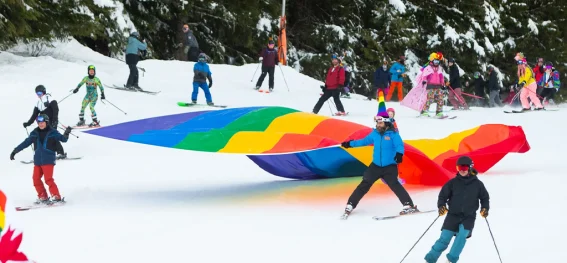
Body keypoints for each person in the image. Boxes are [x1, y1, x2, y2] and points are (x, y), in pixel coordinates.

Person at [340, 115, 418, 218]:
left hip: (389, 167)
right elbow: (363, 141)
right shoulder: (375, 133)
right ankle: (350, 204)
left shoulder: (393, 134)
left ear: (386, 123)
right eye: (377, 123)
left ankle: (408, 205)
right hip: (375, 166)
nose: (378, 125)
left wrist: (399, 154)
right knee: (364, 184)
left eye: (380, 123)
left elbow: (399, 145)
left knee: (395, 184)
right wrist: (350, 144)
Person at [424, 156, 490, 263]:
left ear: (470, 168)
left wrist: (485, 208)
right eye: (459, 168)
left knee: (461, 237)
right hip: (452, 215)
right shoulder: (452, 183)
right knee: (444, 238)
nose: (462, 171)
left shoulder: (478, 184)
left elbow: (484, 198)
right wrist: (441, 206)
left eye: (464, 168)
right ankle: (430, 259)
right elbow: (442, 196)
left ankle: (451, 260)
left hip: (469, 217)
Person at [10, 114, 73, 204]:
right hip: (38, 160)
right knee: (35, 179)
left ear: (46, 122)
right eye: (39, 122)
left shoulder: (53, 132)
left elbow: (63, 139)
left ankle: (56, 196)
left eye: (42, 122)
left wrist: (67, 132)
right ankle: (43, 196)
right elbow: (26, 143)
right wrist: (15, 151)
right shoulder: (35, 133)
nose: (41, 124)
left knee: (48, 179)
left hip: (48, 160)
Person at [23, 85, 67, 159]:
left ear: (44, 92)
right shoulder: (38, 103)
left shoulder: (49, 98)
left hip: (52, 122)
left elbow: (55, 110)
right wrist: (28, 123)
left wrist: (55, 120)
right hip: (43, 123)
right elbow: (34, 115)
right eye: (37, 94)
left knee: (53, 137)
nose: (39, 95)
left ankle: (60, 153)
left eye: (40, 93)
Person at [420, 52, 447, 117]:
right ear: (432, 61)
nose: (436, 62)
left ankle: (439, 112)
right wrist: (424, 80)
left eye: (438, 61)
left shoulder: (439, 68)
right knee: (430, 98)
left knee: (440, 98)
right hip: (430, 86)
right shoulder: (428, 68)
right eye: (435, 61)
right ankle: (424, 111)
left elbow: (441, 77)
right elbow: (424, 75)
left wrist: (442, 84)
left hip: (438, 86)